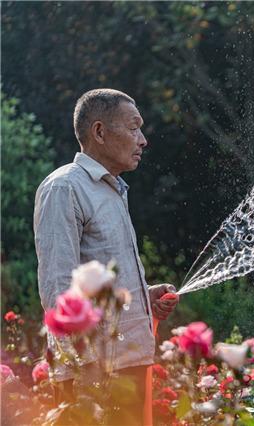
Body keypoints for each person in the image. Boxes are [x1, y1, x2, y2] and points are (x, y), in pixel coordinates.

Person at [33, 88, 179, 424]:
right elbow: (58, 290)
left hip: (127, 365)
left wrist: (144, 294)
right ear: (99, 132)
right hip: (94, 376)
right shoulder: (65, 188)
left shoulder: (111, 189)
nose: (143, 140)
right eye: (133, 128)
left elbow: (97, 278)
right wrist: (85, 372)